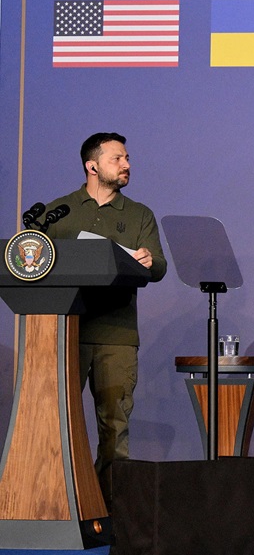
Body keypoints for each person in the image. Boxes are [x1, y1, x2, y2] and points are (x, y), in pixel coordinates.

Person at [45, 132, 167, 505]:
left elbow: (159, 266)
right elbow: (33, 260)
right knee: (56, 421)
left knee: (114, 426)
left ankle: (109, 509)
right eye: (118, 158)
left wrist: (149, 261)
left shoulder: (139, 214)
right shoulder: (60, 211)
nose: (127, 164)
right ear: (92, 165)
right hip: (67, 331)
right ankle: (55, 503)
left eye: (127, 158)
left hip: (116, 335)